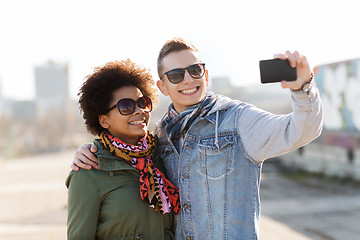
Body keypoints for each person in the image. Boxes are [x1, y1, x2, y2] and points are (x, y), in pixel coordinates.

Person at [71, 38, 323, 239]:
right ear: (162, 87)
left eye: (195, 70)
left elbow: (300, 130)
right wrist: (91, 148)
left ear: (206, 75)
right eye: (176, 75)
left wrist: (303, 89)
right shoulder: (161, 136)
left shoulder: (237, 120)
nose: (188, 79)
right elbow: (122, 149)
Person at [66, 60, 179, 240]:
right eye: (126, 106)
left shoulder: (163, 154)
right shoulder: (88, 172)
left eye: (142, 102)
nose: (139, 111)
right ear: (104, 120)